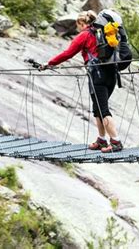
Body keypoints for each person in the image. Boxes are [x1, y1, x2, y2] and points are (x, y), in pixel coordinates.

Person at [40, 10, 123, 153]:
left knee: (103, 110)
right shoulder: (105, 34)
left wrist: (50, 64)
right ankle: (102, 140)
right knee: (97, 109)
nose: (77, 28)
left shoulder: (84, 35)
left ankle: (116, 142)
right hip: (112, 75)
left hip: (97, 75)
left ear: (83, 23)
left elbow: (68, 53)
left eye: (78, 25)